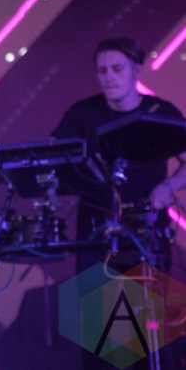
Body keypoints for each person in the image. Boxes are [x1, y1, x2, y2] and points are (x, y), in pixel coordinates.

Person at [52, 36, 186, 369]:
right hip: (95, 236)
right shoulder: (83, 114)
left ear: (136, 70)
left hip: (147, 236)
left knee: (149, 334)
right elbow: (54, 158)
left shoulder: (160, 112)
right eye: (102, 71)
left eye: (117, 69)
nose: (109, 77)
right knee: (102, 339)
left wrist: (168, 186)